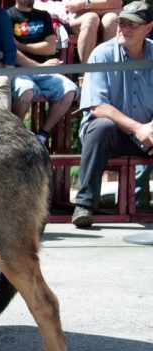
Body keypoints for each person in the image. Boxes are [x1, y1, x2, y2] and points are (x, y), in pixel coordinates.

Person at [72, 1, 153, 228]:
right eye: (122, 22)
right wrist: (138, 128)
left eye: (132, 24)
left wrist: (150, 128)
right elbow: (98, 107)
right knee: (101, 126)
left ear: (148, 28)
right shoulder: (102, 54)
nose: (124, 28)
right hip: (111, 135)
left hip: (148, 133)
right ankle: (84, 205)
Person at [8, 0, 80, 146]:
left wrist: (21, 45)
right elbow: (11, 51)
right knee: (26, 91)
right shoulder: (7, 16)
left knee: (70, 90)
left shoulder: (43, 15)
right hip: (18, 69)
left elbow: (51, 48)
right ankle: (15, 137)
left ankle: (41, 135)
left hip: (43, 69)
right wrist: (38, 65)